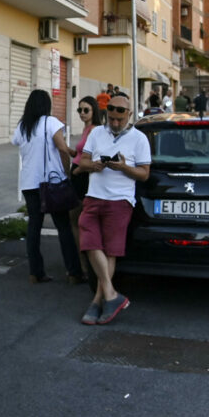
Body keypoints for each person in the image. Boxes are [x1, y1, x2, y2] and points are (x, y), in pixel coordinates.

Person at [74, 93, 151, 325]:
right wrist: (94, 164)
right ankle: (111, 294)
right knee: (88, 242)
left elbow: (144, 174)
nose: (115, 123)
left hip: (120, 200)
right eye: (111, 118)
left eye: (120, 119)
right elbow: (82, 161)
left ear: (129, 115)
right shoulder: (97, 133)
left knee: (110, 251)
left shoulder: (139, 139)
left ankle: (99, 301)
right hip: (94, 196)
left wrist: (125, 167)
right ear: (107, 114)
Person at [11, 89, 85, 285]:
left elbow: (16, 143)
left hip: (29, 183)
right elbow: (61, 148)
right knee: (63, 227)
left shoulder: (22, 126)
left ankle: (35, 273)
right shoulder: (51, 122)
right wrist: (68, 169)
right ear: (46, 105)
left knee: (34, 226)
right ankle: (73, 272)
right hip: (51, 184)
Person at [69, 96, 105, 287]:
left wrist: (79, 169)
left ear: (94, 111)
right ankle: (83, 264)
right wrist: (72, 153)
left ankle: (86, 265)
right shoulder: (86, 129)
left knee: (80, 220)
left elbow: (97, 160)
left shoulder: (96, 130)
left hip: (83, 177)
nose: (82, 114)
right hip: (77, 175)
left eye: (86, 110)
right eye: (79, 110)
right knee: (75, 220)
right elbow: (83, 153)